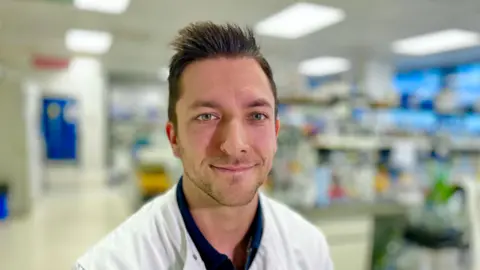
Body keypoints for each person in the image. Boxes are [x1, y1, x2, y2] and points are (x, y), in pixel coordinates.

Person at [74, 21, 333, 270]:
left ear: (275, 133)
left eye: (256, 116)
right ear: (174, 138)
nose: (234, 145)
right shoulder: (111, 264)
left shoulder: (309, 249)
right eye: (206, 116)